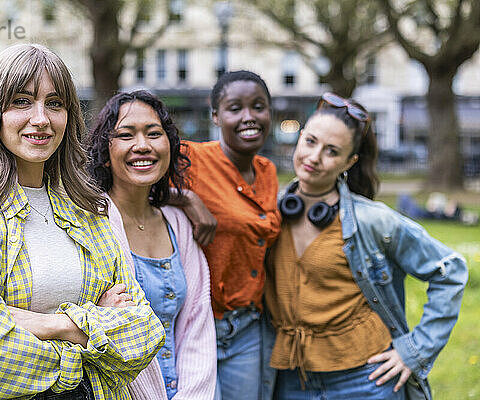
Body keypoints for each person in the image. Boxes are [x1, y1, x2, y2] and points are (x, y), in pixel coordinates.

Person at [0, 44, 164, 400]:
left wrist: (23, 321)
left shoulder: (88, 211)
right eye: (22, 101)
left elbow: (143, 335)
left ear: (69, 116)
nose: (41, 118)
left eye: (55, 103)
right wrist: (81, 328)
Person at [264, 92, 468, 399]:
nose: (314, 157)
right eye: (310, 141)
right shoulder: (268, 211)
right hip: (291, 380)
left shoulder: (372, 220)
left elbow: (450, 270)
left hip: (366, 379)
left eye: (332, 151)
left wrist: (413, 351)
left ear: (349, 162)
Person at [87, 90, 216, 400]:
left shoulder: (179, 223)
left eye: (154, 134)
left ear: (169, 146)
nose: (142, 145)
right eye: (126, 135)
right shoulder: (90, 224)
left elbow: (198, 323)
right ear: (105, 152)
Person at [177, 71, 282, 400]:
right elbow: (128, 185)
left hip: (248, 328)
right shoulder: (190, 159)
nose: (249, 117)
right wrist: (185, 197)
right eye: (235, 108)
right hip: (199, 327)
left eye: (258, 107)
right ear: (215, 116)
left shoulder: (267, 171)